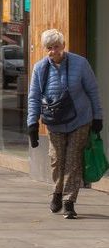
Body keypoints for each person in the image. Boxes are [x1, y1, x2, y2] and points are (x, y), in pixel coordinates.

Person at [28, 28, 103, 220]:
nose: (54, 51)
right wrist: (32, 125)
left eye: (57, 47)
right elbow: (34, 97)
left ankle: (69, 201)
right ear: (45, 49)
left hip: (80, 119)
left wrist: (97, 117)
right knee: (56, 160)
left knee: (72, 160)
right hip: (54, 122)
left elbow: (93, 91)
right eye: (49, 48)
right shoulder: (40, 68)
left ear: (64, 46)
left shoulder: (80, 63)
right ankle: (57, 192)